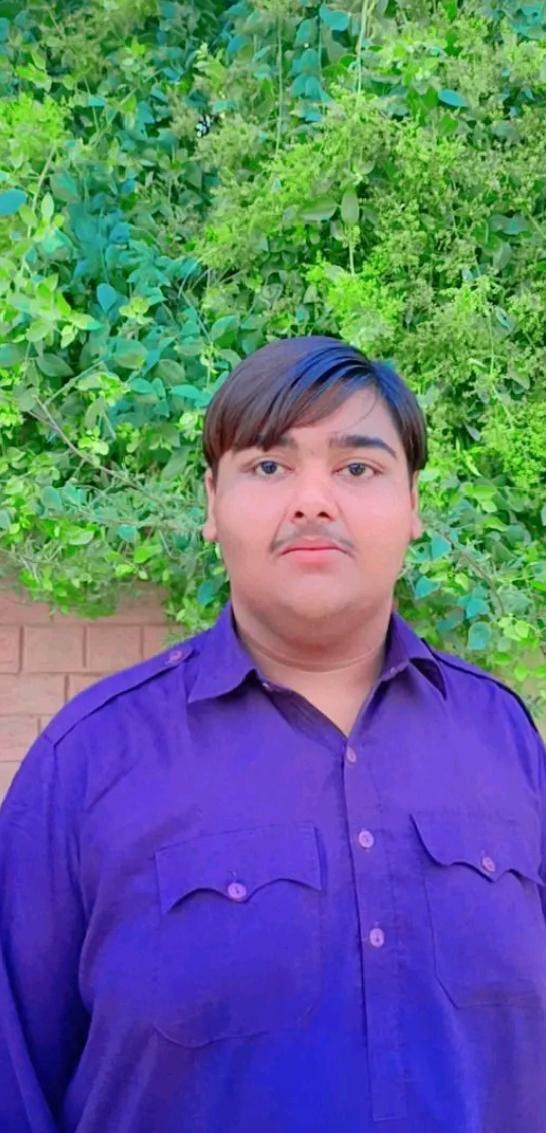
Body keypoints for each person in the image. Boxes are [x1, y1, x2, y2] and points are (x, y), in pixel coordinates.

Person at [1, 335, 545, 1133]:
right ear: (211, 503)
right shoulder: (87, 764)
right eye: (267, 465)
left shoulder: (505, 741)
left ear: (413, 505)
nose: (313, 500)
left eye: (356, 467)